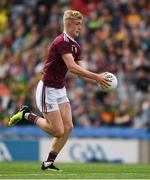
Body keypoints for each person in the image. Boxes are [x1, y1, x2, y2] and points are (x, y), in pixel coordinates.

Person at [8, 10, 111, 171]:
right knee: (57, 130)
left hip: (60, 89)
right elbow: (72, 67)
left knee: (68, 127)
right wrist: (97, 76)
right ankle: (27, 114)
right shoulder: (61, 41)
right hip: (47, 89)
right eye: (77, 24)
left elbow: (80, 73)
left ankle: (48, 162)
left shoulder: (76, 46)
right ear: (68, 24)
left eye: (81, 24)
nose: (80, 28)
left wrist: (98, 81)